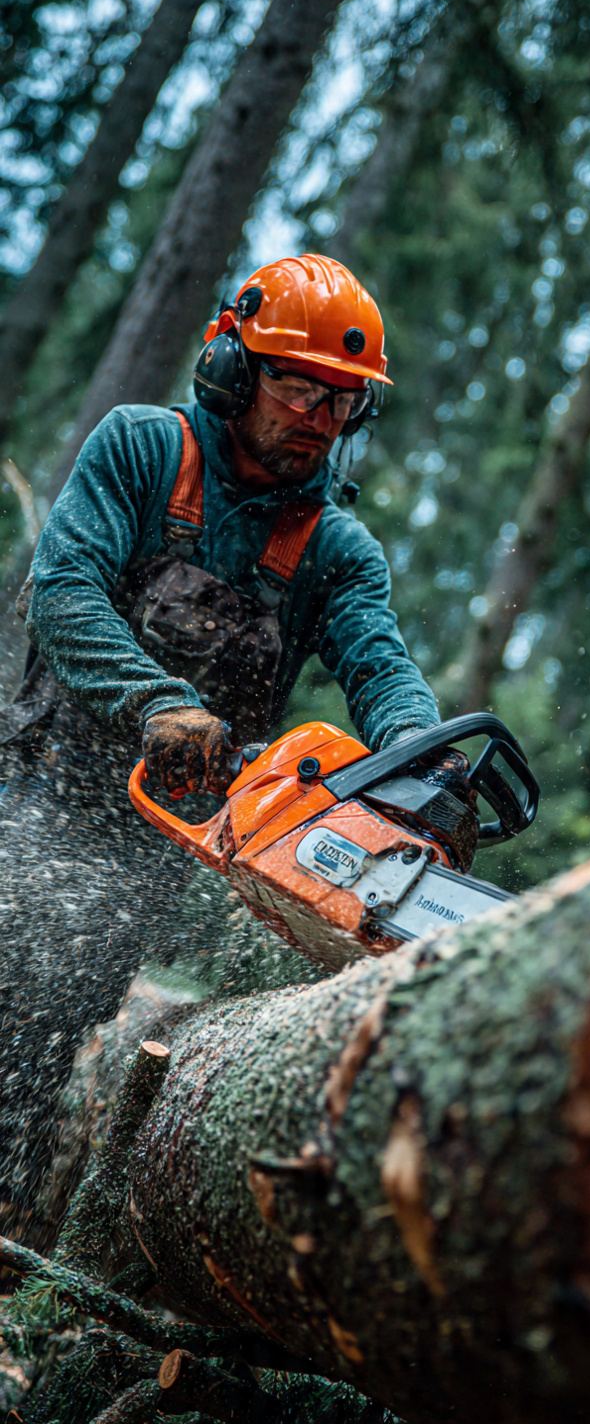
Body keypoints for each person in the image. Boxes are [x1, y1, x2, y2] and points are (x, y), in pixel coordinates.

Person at [0, 254, 470, 1225]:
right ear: (233, 367)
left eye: (341, 402)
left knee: (53, 1027)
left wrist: (426, 759)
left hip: (163, 839)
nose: (318, 417)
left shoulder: (333, 549)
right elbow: (65, 587)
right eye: (300, 386)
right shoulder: (143, 450)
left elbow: (378, 667)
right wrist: (153, 700)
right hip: (42, 785)